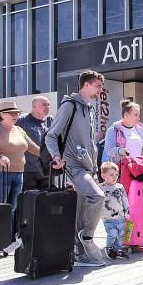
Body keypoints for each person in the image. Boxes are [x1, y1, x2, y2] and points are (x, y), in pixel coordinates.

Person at [45, 70, 106, 268]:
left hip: (87, 167)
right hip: (73, 165)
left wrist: (95, 170)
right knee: (98, 196)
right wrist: (56, 156)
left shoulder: (89, 108)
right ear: (86, 85)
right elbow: (51, 135)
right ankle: (87, 236)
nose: (100, 90)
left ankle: (80, 253)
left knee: (81, 209)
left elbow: (90, 143)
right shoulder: (69, 105)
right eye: (97, 86)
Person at [0, 100, 41, 227]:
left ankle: (9, 238)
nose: (15, 116)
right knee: (0, 208)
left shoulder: (19, 130)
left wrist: (52, 156)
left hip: (19, 173)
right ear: (2, 115)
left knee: (13, 208)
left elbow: (33, 147)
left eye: (17, 113)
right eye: (12, 113)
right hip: (0, 173)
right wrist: (0, 157)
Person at [16, 96, 53, 191]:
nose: (47, 107)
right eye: (44, 104)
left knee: (46, 200)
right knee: (29, 200)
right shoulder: (21, 120)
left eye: (48, 104)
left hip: (46, 170)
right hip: (27, 170)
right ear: (34, 106)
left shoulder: (50, 121)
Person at [104, 99, 143, 164]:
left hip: (139, 168)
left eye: (139, 115)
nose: (138, 118)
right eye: (136, 115)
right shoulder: (113, 130)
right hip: (122, 169)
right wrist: (120, 150)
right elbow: (108, 150)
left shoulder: (140, 129)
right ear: (126, 115)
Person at [99, 161, 130, 260]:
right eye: (111, 175)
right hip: (108, 218)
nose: (115, 177)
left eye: (116, 174)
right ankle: (109, 248)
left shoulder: (120, 187)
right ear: (103, 175)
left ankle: (118, 250)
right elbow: (96, 201)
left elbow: (125, 200)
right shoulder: (100, 188)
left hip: (120, 217)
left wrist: (127, 212)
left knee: (120, 235)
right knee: (112, 234)